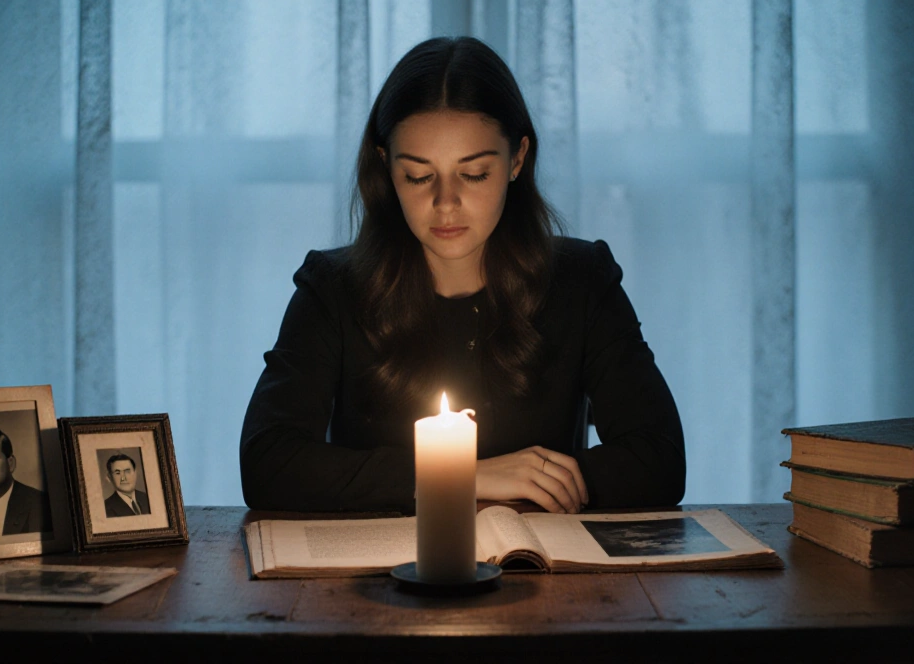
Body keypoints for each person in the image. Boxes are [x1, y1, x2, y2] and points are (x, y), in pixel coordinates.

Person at [240, 36, 685, 515]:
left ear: (517, 160)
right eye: (418, 176)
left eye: (473, 174)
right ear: (385, 166)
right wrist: (460, 477)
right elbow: (269, 463)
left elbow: (659, 459)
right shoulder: (331, 288)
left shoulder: (583, 280)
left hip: (549, 575)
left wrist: (539, 482)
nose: (445, 203)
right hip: (378, 579)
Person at [103, 453, 152, 517]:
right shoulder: (105, 508)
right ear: (109, 477)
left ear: (135, 473)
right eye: (118, 473)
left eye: (127, 471)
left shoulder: (148, 498)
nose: (123, 478)